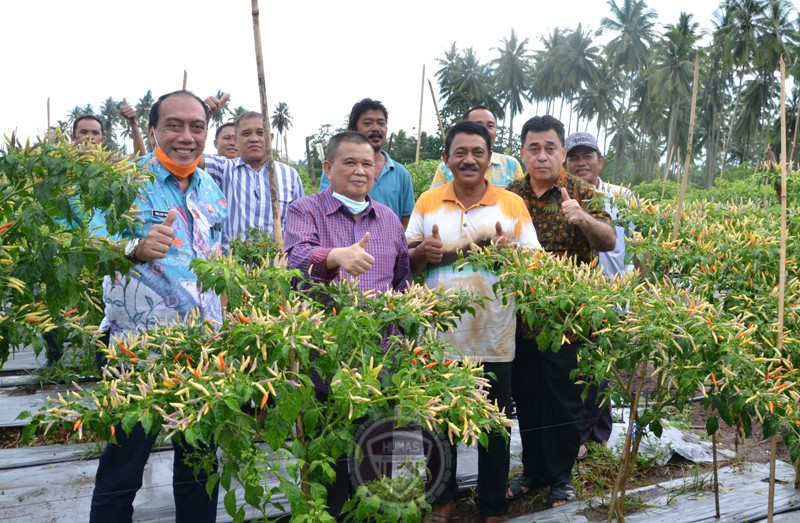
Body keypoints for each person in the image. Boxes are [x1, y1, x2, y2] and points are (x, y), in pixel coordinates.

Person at [89, 90, 228, 523]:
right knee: (123, 468)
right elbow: (88, 245)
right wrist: (134, 247)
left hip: (202, 353)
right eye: (174, 125)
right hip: (137, 353)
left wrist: (225, 325)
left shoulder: (212, 188)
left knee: (200, 466)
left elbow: (218, 262)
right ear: (152, 131)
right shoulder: (123, 183)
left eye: (197, 126)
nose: (186, 136)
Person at [407, 121, 540, 523]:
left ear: (489, 159)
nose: (469, 160)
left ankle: (493, 503)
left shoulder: (512, 205)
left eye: (477, 153)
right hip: (439, 335)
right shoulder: (428, 202)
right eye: (459, 152)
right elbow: (407, 263)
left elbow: (535, 264)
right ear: (445, 158)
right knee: (437, 421)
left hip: (495, 333)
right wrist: (424, 254)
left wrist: (510, 253)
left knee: (495, 424)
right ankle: (442, 500)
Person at [285, 131, 411, 516]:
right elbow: (293, 262)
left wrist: (403, 333)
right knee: (330, 466)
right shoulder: (305, 210)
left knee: (377, 460)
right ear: (328, 168)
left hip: (379, 365)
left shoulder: (388, 219)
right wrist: (334, 257)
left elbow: (402, 278)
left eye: (367, 164)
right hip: (325, 362)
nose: (360, 171)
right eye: (349, 162)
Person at [505, 116, 615, 509]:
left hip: (569, 321)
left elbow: (609, 239)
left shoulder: (583, 192)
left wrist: (583, 218)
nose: (542, 155)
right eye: (533, 148)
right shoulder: (508, 195)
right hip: (520, 320)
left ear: (563, 153)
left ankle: (561, 478)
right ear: (522, 153)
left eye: (550, 148)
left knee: (565, 402)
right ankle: (532, 471)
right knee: (529, 399)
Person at [564, 131, 635, 460]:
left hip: (613, 295)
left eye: (587, 156)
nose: (581, 163)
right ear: (566, 162)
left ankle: (593, 435)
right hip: (574, 296)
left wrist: (642, 288)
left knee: (600, 369)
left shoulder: (621, 197)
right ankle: (587, 434)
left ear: (600, 160)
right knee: (580, 367)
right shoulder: (563, 197)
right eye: (574, 157)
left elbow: (641, 244)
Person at [200, 100, 305, 239]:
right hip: (231, 259)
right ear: (236, 140)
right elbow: (185, 155)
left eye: (261, 133)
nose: (254, 139)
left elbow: (302, 221)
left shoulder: (290, 175)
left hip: (279, 259)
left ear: (270, 137)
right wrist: (201, 114)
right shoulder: (224, 168)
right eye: (246, 134)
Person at [319, 98, 415, 228]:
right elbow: (327, 208)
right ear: (353, 129)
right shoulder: (336, 169)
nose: (376, 129)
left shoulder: (401, 173)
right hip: (345, 245)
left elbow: (406, 218)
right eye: (368, 123)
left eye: (381, 123)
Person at [429, 105, 524, 190]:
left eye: (490, 126)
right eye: (477, 125)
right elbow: (434, 202)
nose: (484, 131)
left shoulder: (512, 165)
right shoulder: (444, 169)